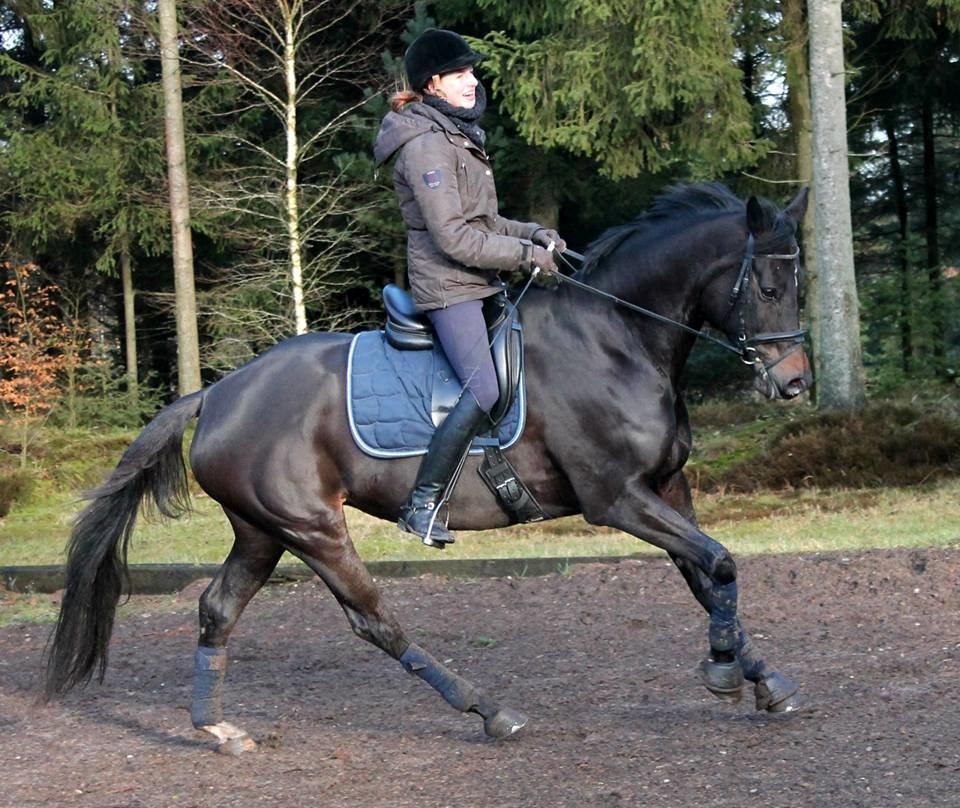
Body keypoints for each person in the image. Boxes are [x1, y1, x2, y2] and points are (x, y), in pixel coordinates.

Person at [373, 28, 566, 548]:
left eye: (472, 72)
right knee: (484, 389)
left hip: (478, 280)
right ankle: (423, 504)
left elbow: (484, 219)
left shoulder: (455, 133)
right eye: (461, 74)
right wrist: (527, 257)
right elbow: (455, 237)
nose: (472, 82)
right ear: (433, 84)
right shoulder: (425, 146)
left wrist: (532, 233)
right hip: (450, 287)